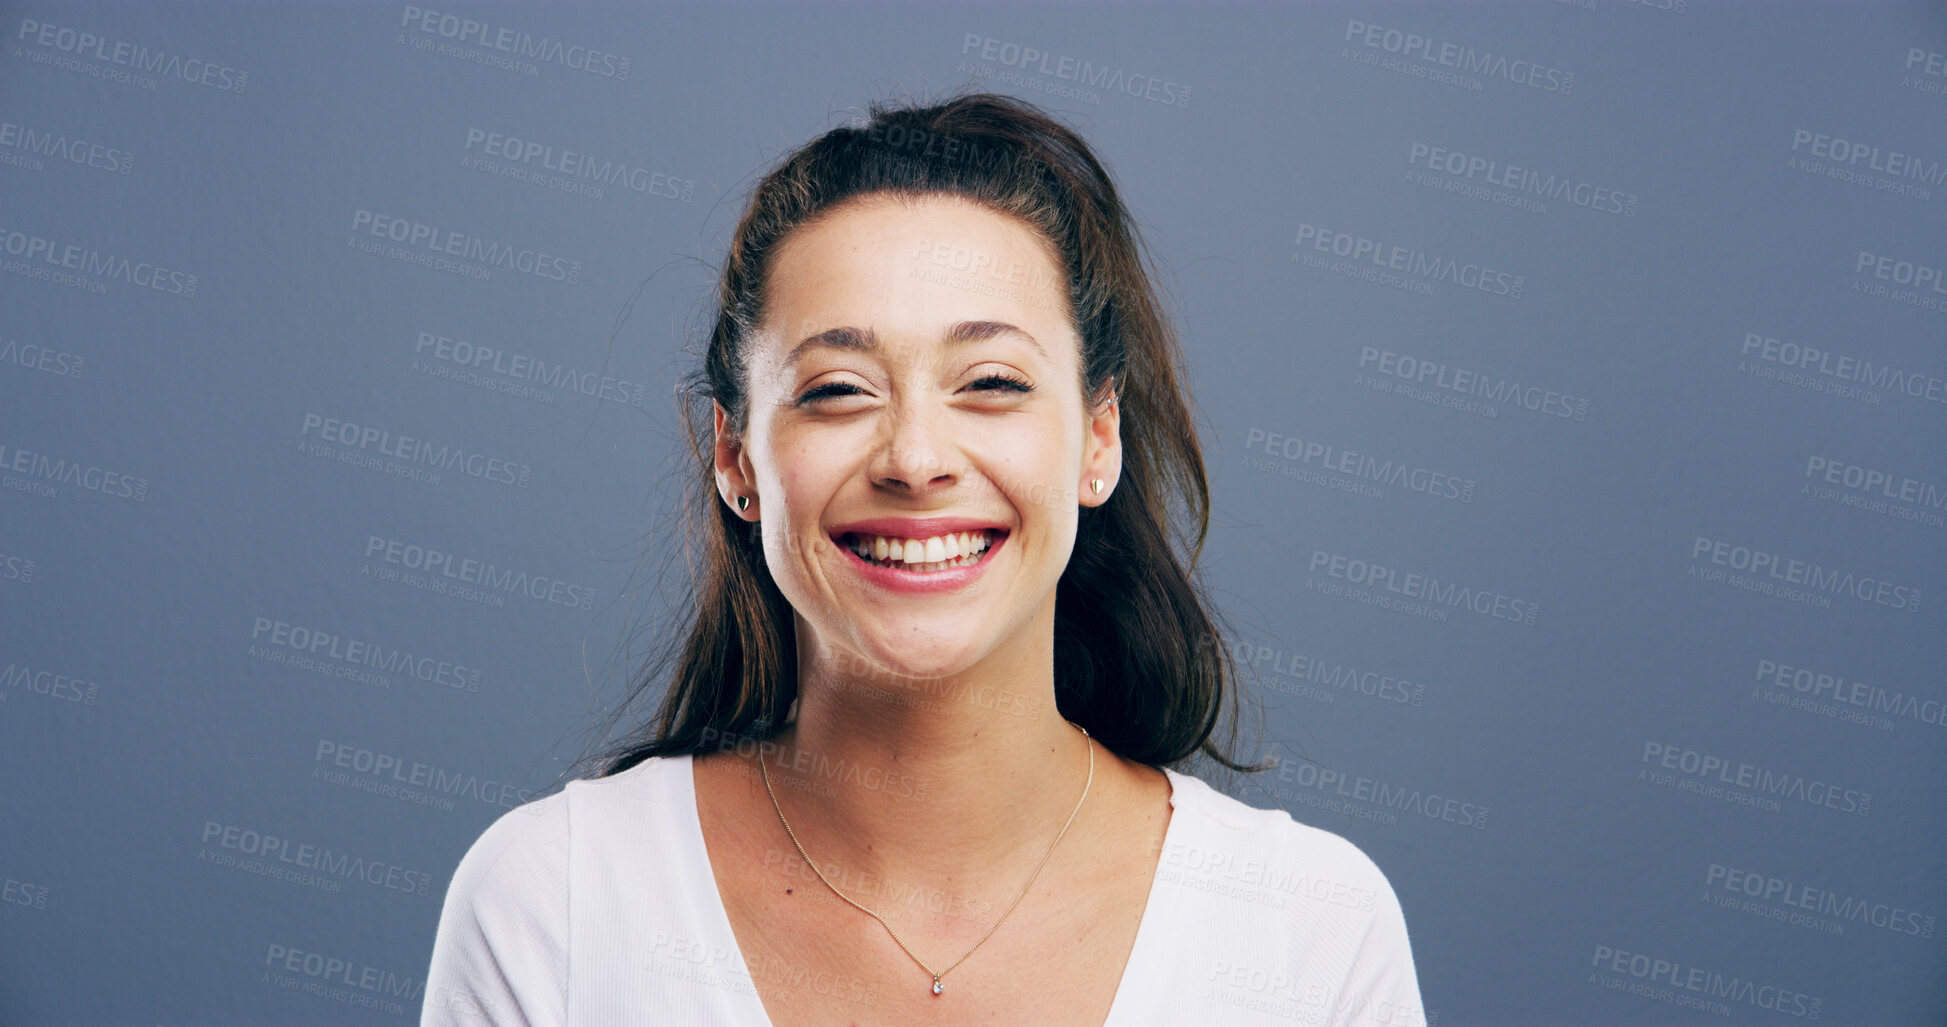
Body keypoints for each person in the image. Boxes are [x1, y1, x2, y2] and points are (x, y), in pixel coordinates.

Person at [422, 92, 1423, 1026]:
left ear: (1098, 437)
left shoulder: (1312, 932)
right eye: (837, 389)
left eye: (989, 380)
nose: (914, 459)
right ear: (736, 457)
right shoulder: (552, 902)